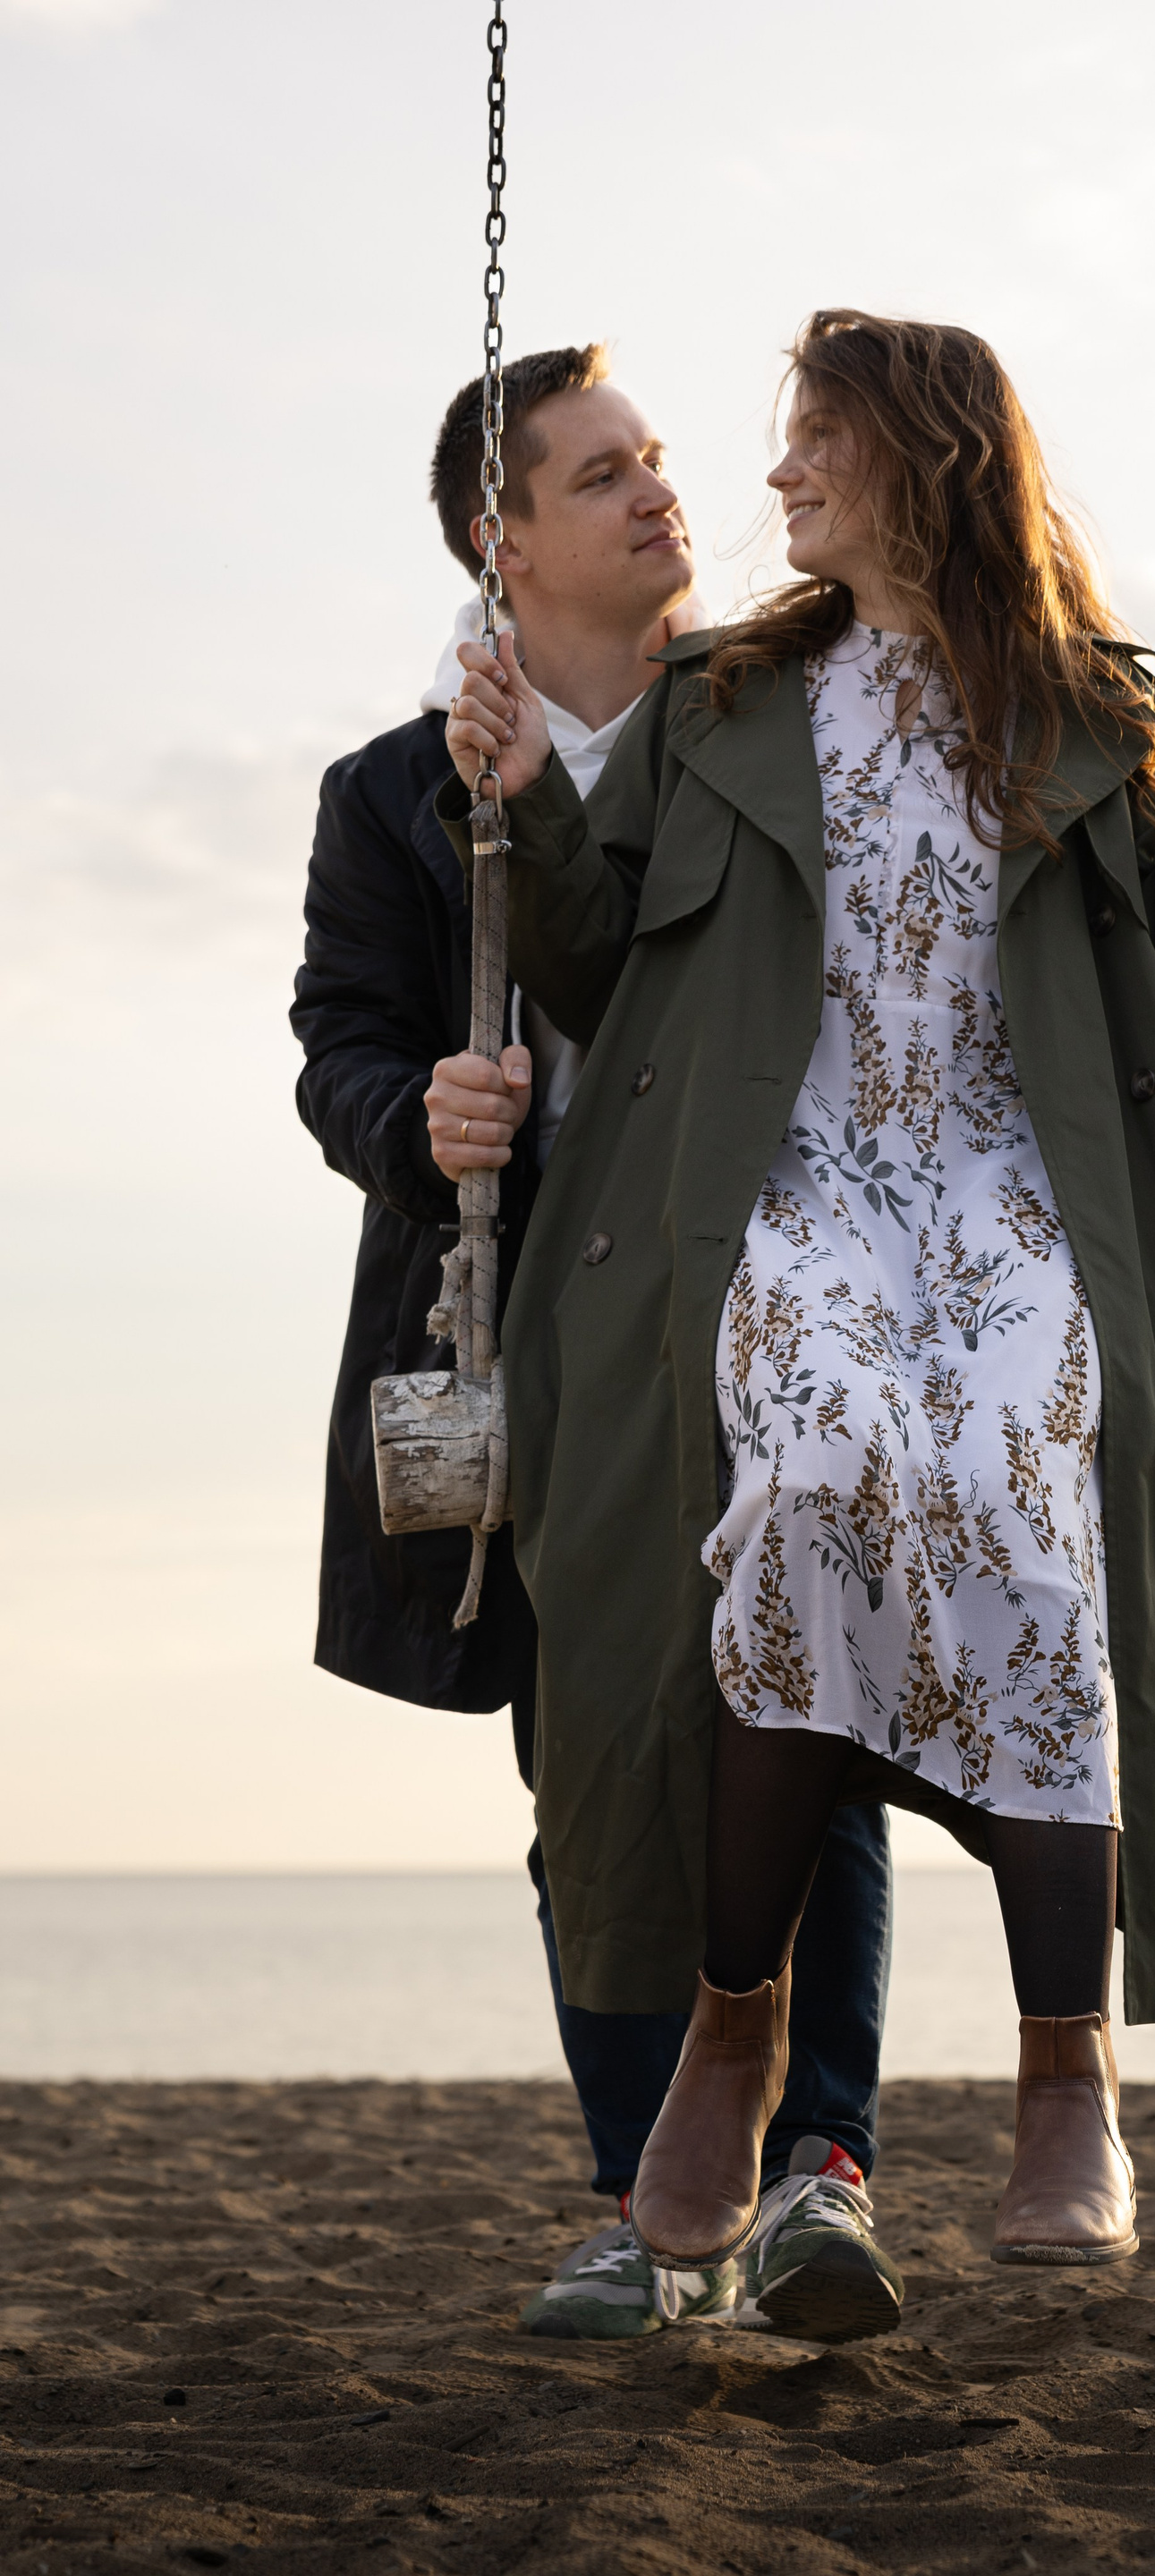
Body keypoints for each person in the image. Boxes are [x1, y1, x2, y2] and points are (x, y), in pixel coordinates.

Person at [441, 308, 1155, 2277]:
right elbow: (598, 965)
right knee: (818, 1463)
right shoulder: (728, 699)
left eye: (814, 440)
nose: (776, 475)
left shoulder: (1084, 708)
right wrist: (522, 793)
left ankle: (1065, 2072)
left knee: (1028, 1497)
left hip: (1017, 1190)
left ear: (920, 458)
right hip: (796, 1184)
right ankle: (732, 2034)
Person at [292, 342, 904, 2347]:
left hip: (779, 1293)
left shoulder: (782, 715)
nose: (663, 492)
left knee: (808, 1728)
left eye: (657, 458)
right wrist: (419, 1116)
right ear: (504, 536)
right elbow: (339, 1047)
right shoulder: (392, 790)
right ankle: (654, 2203)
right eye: (602, 473)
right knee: (590, 1766)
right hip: (535, 1320)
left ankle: (818, 2175)